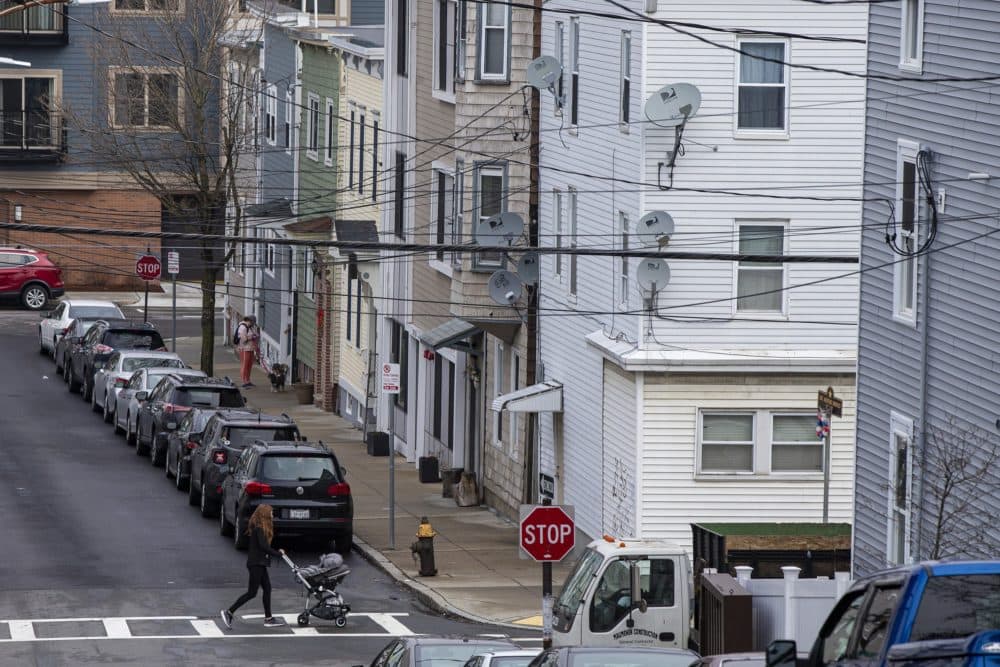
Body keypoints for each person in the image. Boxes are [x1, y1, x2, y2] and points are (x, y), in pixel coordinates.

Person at [221, 505, 286, 629]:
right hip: (256, 564)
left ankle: (269, 618)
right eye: (271, 513)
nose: (272, 515)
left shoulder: (261, 528)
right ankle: (229, 612)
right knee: (252, 592)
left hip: (259, 564)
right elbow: (263, 547)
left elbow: (264, 547)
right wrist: (278, 554)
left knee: (267, 588)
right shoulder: (259, 529)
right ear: (265, 514)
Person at [235, 315, 259, 389]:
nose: (253, 324)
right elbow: (244, 339)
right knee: (244, 365)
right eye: (253, 322)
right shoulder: (242, 327)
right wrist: (252, 337)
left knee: (249, 365)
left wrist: (255, 336)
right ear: (250, 321)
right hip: (244, 349)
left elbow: (256, 334)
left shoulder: (250, 327)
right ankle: (243, 382)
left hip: (250, 348)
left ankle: (248, 381)